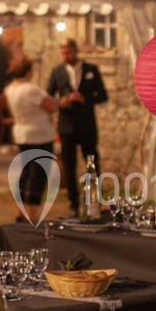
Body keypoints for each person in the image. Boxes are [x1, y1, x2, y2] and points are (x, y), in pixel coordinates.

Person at [47, 40, 107, 216]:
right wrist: (62, 102)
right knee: (69, 165)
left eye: (69, 52)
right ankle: (74, 205)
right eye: (63, 53)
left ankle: (95, 201)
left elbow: (102, 96)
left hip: (87, 124)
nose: (66, 56)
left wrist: (85, 99)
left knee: (93, 164)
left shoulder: (91, 70)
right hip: (66, 126)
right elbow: (49, 97)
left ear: (76, 51)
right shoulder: (57, 72)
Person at [0, 58, 62, 221]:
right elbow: (52, 105)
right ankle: (33, 214)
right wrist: (63, 101)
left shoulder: (10, 89)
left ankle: (21, 212)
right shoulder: (30, 90)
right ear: (29, 72)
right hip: (39, 134)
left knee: (26, 172)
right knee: (38, 174)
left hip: (21, 133)